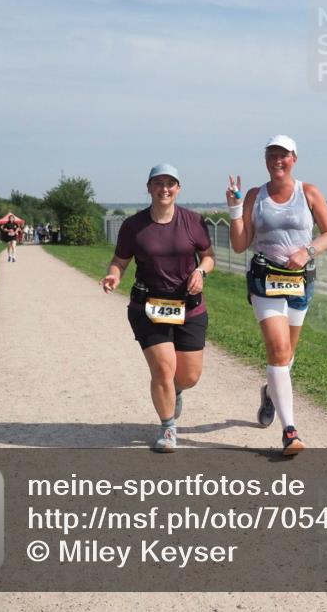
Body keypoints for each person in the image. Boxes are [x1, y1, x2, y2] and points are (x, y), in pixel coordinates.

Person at [227, 135, 327, 455]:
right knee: (277, 350)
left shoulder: (309, 192)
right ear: (265, 160)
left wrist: (308, 250)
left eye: (284, 155)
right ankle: (290, 432)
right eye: (272, 155)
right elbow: (239, 244)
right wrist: (235, 210)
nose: (278, 160)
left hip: (301, 281)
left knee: (286, 357)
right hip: (266, 280)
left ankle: (271, 393)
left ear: (294, 159)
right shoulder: (255, 196)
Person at [101, 164, 215, 453]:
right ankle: (167, 428)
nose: (165, 188)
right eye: (158, 183)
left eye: (170, 183)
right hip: (148, 307)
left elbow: (209, 257)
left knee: (188, 376)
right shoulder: (133, 226)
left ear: (178, 188)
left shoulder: (193, 221)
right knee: (163, 369)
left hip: (189, 308)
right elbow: (120, 260)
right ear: (149, 187)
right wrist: (114, 275)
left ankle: (175, 391)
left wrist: (201, 272)